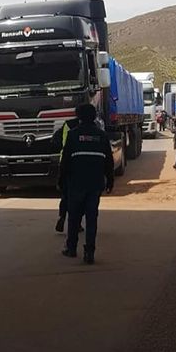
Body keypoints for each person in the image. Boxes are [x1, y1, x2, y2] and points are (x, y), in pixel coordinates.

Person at [58, 103, 114, 265]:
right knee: (91, 217)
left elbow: (65, 161)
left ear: (79, 116)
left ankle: (71, 248)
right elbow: (109, 161)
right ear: (94, 116)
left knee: (74, 217)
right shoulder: (101, 136)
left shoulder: (73, 135)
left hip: (76, 183)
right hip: (95, 183)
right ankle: (90, 252)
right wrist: (110, 180)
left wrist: (61, 181)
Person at [51, 117, 82, 233]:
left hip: (65, 161)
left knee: (66, 194)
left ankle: (62, 216)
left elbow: (57, 141)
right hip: (81, 163)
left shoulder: (68, 125)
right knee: (81, 195)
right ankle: (77, 223)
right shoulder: (90, 126)